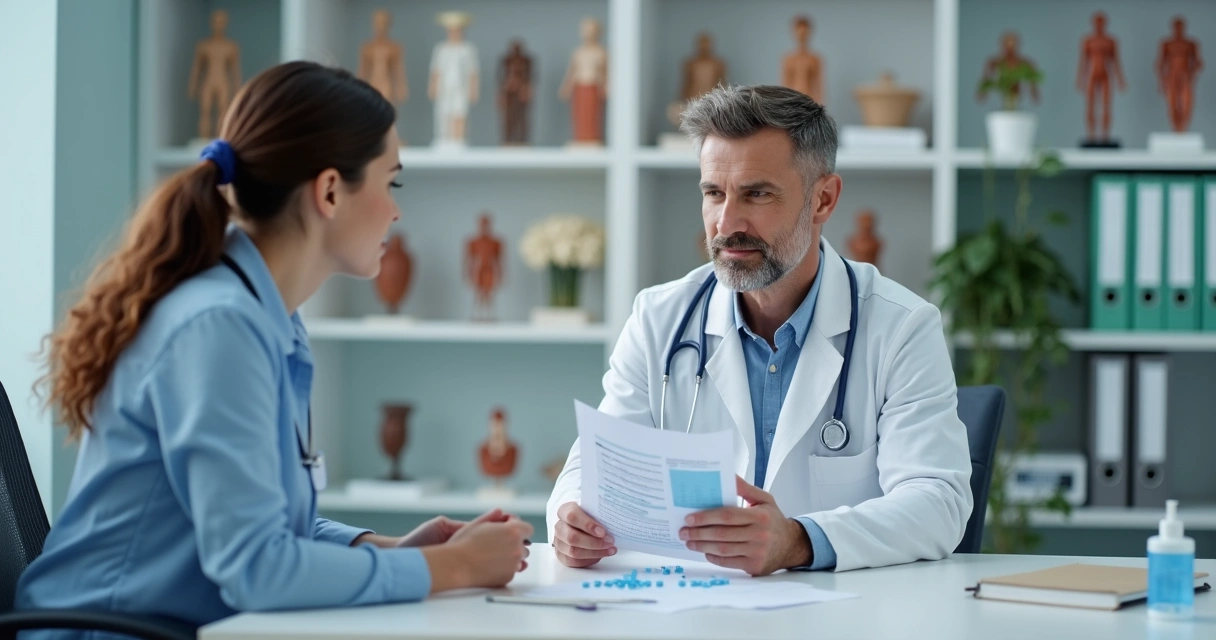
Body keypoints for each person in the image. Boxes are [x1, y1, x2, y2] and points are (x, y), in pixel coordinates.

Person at [17, 61, 532, 635]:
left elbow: (264, 528)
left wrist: (397, 550)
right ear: (330, 191)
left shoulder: (265, 315)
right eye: (392, 183)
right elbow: (257, 569)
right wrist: (453, 567)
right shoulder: (218, 328)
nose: (395, 210)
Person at [546, 85, 972, 576]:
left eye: (757, 194)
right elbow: (598, 466)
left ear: (823, 200)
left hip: (842, 608)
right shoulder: (659, 318)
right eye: (713, 193)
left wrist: (799, 541)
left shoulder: (900, 327)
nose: (726, 222)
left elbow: (938, 501)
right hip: (698, 603)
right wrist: (572, 517)